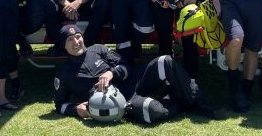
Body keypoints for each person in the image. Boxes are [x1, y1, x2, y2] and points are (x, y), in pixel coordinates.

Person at [53, 25, 223, 122]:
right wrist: (76, 110)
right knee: (154, 111)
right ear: (64, 46)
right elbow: (59, 104)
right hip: (124, 102)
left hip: (134, 82)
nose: (76, 41)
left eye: (78, 36)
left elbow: (125, 65)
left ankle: (205, 106)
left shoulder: (98, 49)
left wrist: (112, 73)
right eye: (70, 40)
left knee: (165, 61)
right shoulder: (64, 74)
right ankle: (180, 101)